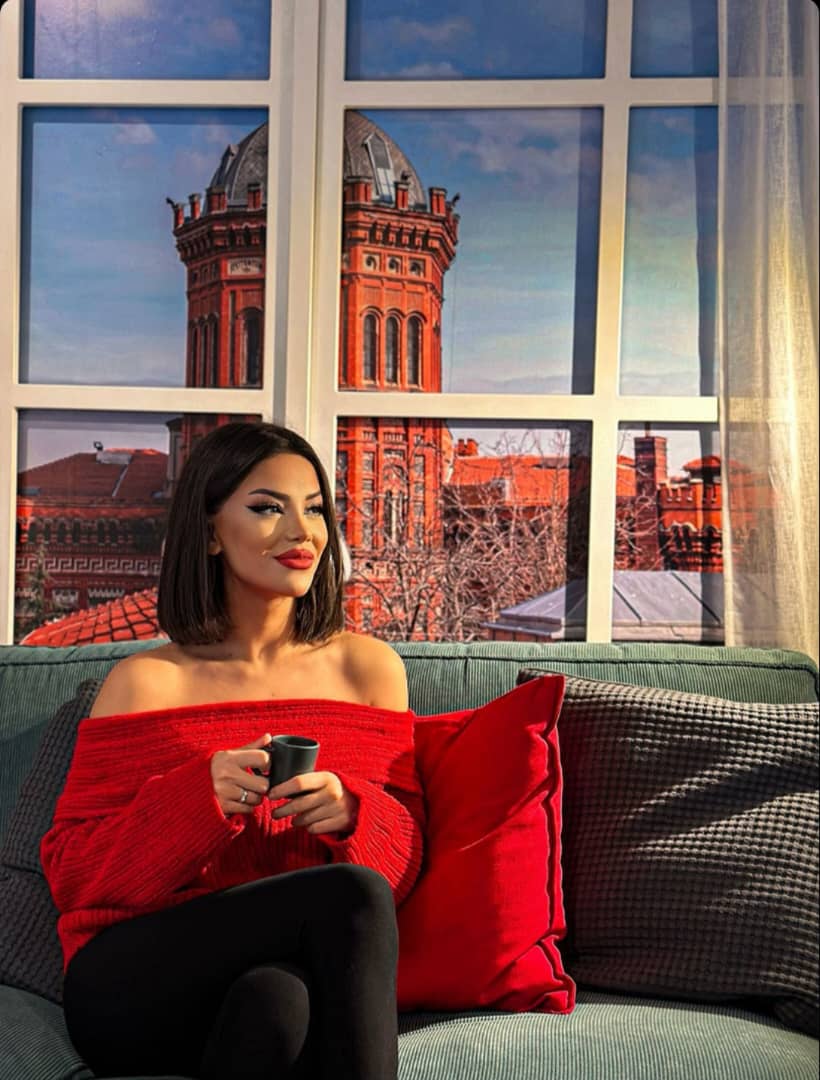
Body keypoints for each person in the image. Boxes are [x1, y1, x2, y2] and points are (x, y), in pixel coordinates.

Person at [40, 421, 425, 1080]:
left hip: (285, 977)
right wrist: (198, 801)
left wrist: (353, 813)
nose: (302, 532)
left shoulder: (370, 670)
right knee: (349, 894)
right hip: (134, 981)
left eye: (314, 510)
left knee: (278, 1002)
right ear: (212, 531)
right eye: (268, 507)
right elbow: (72, 875)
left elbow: (406, 869)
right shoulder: (146, 681)